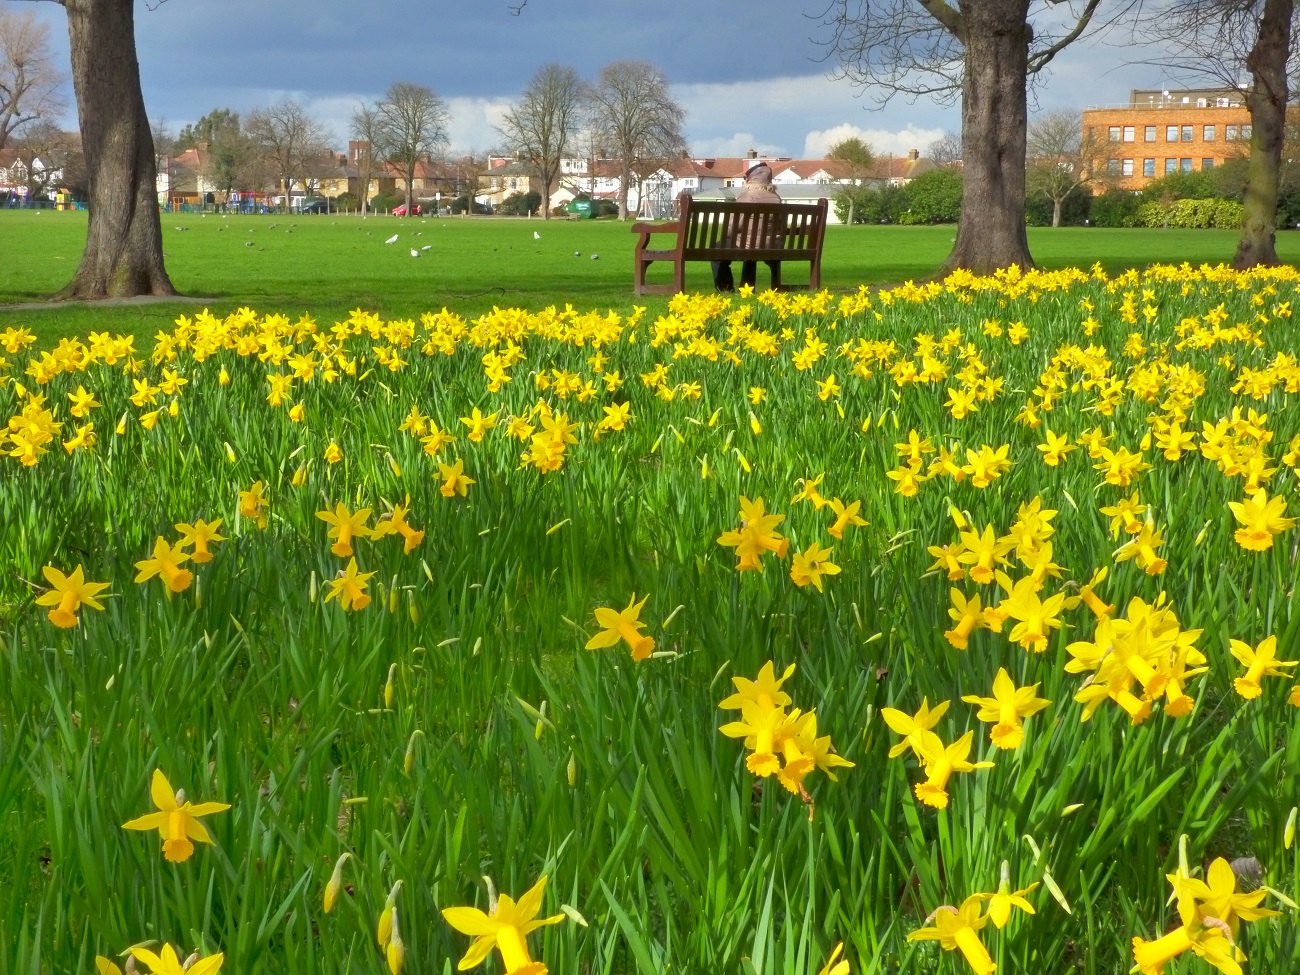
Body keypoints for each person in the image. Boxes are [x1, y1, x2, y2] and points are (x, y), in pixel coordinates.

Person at [713, 162, 782, 292]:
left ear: (750, 179)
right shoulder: (776, 197)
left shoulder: (747, 196)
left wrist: (726, 236)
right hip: (772, 245)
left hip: (749, 244)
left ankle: (725, 289)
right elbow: (780, 225)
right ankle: (747, 288)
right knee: (751, 248)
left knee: (717, 249)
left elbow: (733, 225)